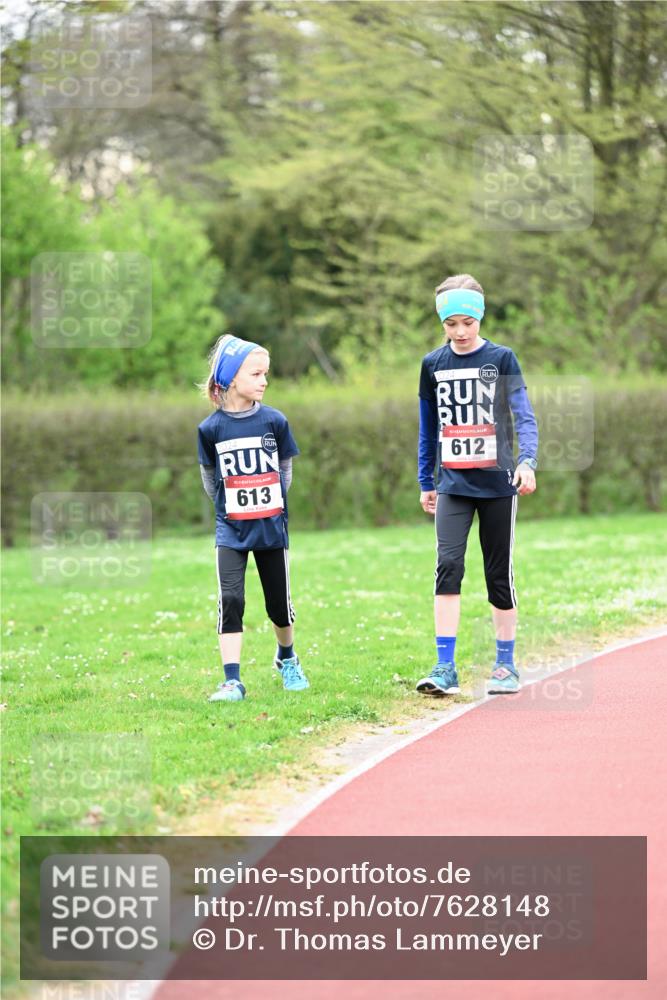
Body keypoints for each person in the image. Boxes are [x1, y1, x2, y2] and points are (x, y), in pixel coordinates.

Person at [416, 274, 538, 695]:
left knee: (497, 575)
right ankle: (444, 666)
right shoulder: (432, 365)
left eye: (468, 322)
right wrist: (425, 480)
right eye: (451, 324)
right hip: (452, 484)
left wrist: (527, 461)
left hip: (498, 486)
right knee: (447, 567)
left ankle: (505, 665)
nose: (461, 332)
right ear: (442, 323)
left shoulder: (502, 359)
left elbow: (524, 415)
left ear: (480, 318)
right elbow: (427, 428)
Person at [197, 334, 310, 701]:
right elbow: (211, 481)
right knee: (231, 600)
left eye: (266, 374)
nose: (264, 381)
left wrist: (266, 506)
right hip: (230, 531)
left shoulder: (275, 421)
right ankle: (232, 679)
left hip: (271, 528)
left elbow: (285, 473)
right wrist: (235, 511)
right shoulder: (210, 429)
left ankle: (287, 658)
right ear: (230, 380)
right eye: (256, 374)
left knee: (279, 604)